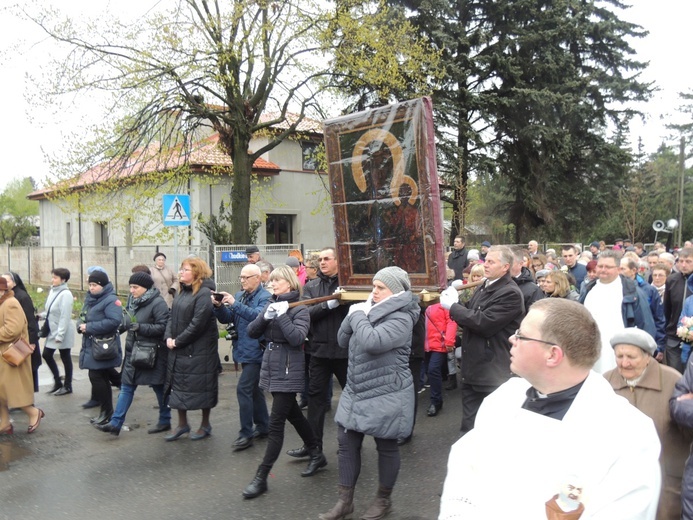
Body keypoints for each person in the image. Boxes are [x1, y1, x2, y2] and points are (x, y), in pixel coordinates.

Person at [439, 299, 661, 519]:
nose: (511, 338)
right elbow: (465, 467)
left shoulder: (629, 433)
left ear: (553, 355)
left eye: (521, 335)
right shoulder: (503, 398)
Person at [319, 266, 420, 520]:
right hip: (356, 389)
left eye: (380, 288)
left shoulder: (403, 317)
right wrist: (355, 314)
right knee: (346, 444)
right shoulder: (368, 309)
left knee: (386, 445)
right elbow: (343, 340)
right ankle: (345, 501)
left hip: (387, 390)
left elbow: (373, 342)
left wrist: (358, 317)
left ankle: (383, 500)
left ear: (395, 291)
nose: (374, 292)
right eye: (373, 286)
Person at [242, 265, 321, 499]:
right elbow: (252, 331)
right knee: (293, 414)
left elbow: (297, 339)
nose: (273, 284)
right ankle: (316, 451)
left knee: (276, 424)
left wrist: (284, 314)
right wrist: (267, 316)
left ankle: (261, 477)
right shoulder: (271, 304)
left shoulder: (299, 309)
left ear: (289, 283)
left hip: (289, 368)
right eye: (272, 281)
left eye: (277, 281)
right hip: (271, 366)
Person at [440, 245, 524, 434]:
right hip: (474, 370)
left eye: (491, 262)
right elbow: (470, 311)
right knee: (470, 427)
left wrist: (453, 307)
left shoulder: (510, 293)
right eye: (485, 260)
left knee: (492, 429)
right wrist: (455, 302)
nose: (485, 265)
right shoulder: (486, 286)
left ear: (505, 267)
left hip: (492, 371)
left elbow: (482, 323)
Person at [604, 328, 687, 520]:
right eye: (619, 356)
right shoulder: (606, 382)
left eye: (631, 357)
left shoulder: (672, 381)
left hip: (666, 478)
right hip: (620, 480)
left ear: (648, 357)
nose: (624, 363)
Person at [286, 247, 350, 465]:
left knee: (351, 399)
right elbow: (306, 313)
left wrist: (344, 299)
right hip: (320, 351)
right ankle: (313, 447)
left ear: (337, 262)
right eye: (320, 259)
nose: (322, 262)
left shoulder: (349, 287)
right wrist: (329, 304)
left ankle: (349, 445)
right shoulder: (312, 286)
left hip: (345, 352)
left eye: (326, 259)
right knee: (315, 400)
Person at [95, 272, 170, 436]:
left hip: (151, 354)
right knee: (127, 388)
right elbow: (126, 321)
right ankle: (115, 423)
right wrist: (115, 329)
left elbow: (164, 327)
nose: (132, 290)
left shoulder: (158, 303)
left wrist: (141, 328)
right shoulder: (133, 301)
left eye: (135, 287)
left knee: (158, 387)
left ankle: (165, 420)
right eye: (130, 287)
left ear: (146, 288)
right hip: (133, 352)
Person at [212, 263, 271, 451]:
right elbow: (228, 318)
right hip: (243, 350)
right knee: (254, 390)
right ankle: (263, 426)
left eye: (246, 277)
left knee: (243, 389)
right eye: (241, 277)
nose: (242, 280)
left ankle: (246, 434)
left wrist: (235, 304)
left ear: (258, 277)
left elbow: (258, 317)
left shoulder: (266, 297)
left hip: (257, 351)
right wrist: (219, 306)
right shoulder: (240, 295)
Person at [164, 257, 219, 441]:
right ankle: (182, 424)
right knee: (178, 387)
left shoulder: (204, 293)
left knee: (202, 387)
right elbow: (172, 316)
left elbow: (198, 324)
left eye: (185, 269)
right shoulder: (182, 291)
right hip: (180, 349)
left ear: (197, 273)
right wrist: (169, 337)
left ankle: (205, 425)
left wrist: (178, 341)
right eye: (181, 269)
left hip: (199, 351)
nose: (181, 272)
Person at [579, 250, 656, 373]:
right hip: (592, 351)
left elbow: (646, 323)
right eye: (600, 266)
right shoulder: (589, 290)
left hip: (622, 353)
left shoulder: (632, 292)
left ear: (619, 269)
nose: (603, 270)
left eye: (608, 267)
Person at [77, 269, 123, 425]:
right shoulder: (90, 299)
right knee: (99, 377)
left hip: (104, 346)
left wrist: (89, 327)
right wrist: (80, 326)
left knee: (97, 377)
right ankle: (106, 411)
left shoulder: (111, 300)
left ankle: (107, 412)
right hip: (92, 345)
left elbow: (114, 321)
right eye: (90, 284)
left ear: (103, 285)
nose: (92, 288)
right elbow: (82, 316)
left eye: (95, 285)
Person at [0, 276, 45, 435]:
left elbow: (12, 330)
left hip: (9, 354)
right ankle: (4, 423)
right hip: (4, 354)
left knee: (12, 391)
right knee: (2, 391)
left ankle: (34, 413)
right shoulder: (3, 303)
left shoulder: (10, 303)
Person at [3, 272, 42, 392]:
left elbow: (31, 322)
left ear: (14, 282)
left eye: (7, 281)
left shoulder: (21, 297)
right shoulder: (8, 296)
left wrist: (30, 343)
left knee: (26, 372)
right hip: (14, 341)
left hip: (24, 341)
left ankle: (26, 401)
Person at [40, 268, 75, 396]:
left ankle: (68, 385)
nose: (52, 279)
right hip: (52, 329)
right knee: (47, 355)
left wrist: (60, 335)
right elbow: (51, 311)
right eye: (52, 277)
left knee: (65, 357)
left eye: (55, 277)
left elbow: (64, 316)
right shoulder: (53, 291)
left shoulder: (66, 294)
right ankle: (57, 382)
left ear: (63, 279)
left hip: (62, 331)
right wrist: (42, 315)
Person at [424, 303, 457, 417]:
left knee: (433, 370)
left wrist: (449, 341)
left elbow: (451, 321)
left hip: (439, 344)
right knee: (430, 371)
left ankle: (436, 401)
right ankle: (436, 400)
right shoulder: (419, 304)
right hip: (423, 345)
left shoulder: (443, 303)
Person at [663, 247, 693, 373]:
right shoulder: (672, 280)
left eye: (688, 261)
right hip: (674, 335)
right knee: (675, 374)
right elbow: (667, 308)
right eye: (681, 261)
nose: (683, 265)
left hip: (691, 337)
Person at [510, 247, 544, 312]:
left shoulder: (533, 290)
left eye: (511, 263)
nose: (507, 266)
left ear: (520, 264)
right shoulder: (497, 283)